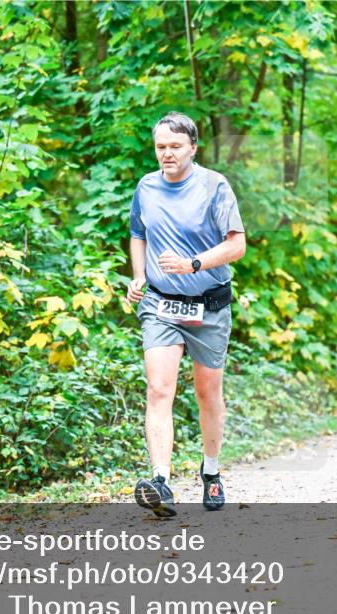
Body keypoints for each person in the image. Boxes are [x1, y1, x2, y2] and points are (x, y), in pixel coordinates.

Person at [126, 112, 247, 517]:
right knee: (159, 389)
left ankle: (211, 471)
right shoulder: (146, 187)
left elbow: (237, 245)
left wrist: (193, 264)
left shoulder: (214, 186)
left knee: (207, 394)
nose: (167, 154)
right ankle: (161, 482)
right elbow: (138, 234)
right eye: (161, 147)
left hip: (209, 304)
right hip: (161, 305)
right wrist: (139, 276)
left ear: (193, 147)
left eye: (175, 146)